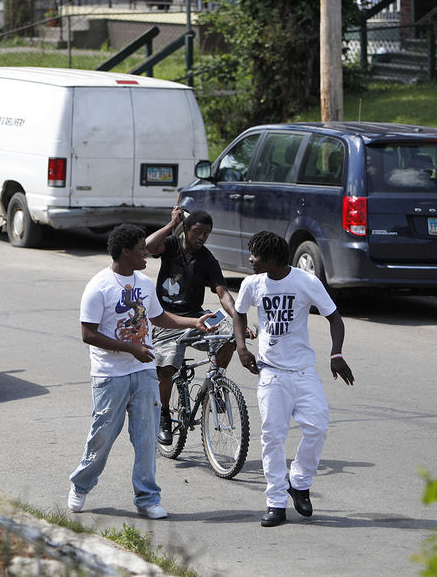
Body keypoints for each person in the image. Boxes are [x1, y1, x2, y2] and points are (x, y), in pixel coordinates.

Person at [68, 223, 213, 519]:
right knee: (103, 436)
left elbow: (159, 317)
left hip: (144, 371)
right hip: (111, 375)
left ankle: (147, 498)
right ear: (125, 252)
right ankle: (81, 485)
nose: (147, 254)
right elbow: (88, 334)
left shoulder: (145, 284)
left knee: (146, 438)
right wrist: (131, 348)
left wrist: (193, 322)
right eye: (141, 250)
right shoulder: (99, 286)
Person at [231, 231, 355, 527]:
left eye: (255, 255)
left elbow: (334, 317)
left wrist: (336, 353)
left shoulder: (305, 282)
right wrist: (241, 347)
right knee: (273, 437)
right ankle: (275, 502)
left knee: (317, 427)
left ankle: (299, 482)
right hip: (271, 373)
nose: (250, 259)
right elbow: (239, 314)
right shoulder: (252, 284)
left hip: (303, 372)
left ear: (272, 258)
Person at [146, 206, 238, 445]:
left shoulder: (208, 259)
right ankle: (163, 416)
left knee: (230, 335)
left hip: (197, 316)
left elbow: (223, 293)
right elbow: (147, 246)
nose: (202, 237)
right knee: (166, 367)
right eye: (198, 231)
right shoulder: (172, 245)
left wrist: (238, 318)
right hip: (166, 318)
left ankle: (217, 381)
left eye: (207, 233)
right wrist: (171, 224)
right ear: (186, 229)